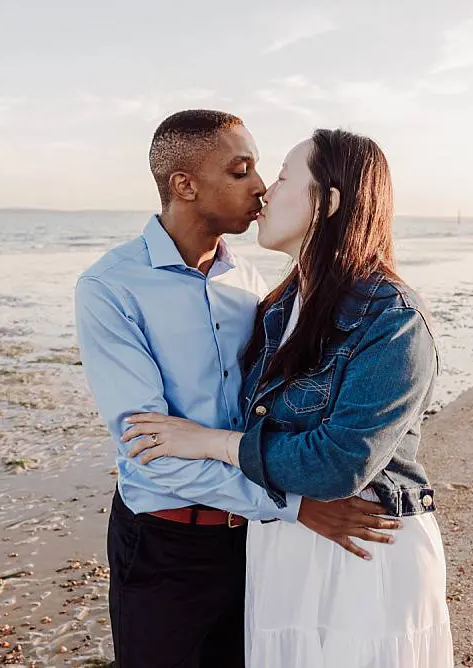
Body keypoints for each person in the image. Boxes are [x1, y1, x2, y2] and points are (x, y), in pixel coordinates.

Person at [74, 110, 400, 667]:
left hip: (255, 541)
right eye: (240, 170)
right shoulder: (111, 288)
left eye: (263, 170)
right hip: (166, 545)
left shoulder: (254, 287)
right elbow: (150, 450)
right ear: (185, 185)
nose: (261, 187)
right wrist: (297, 507)